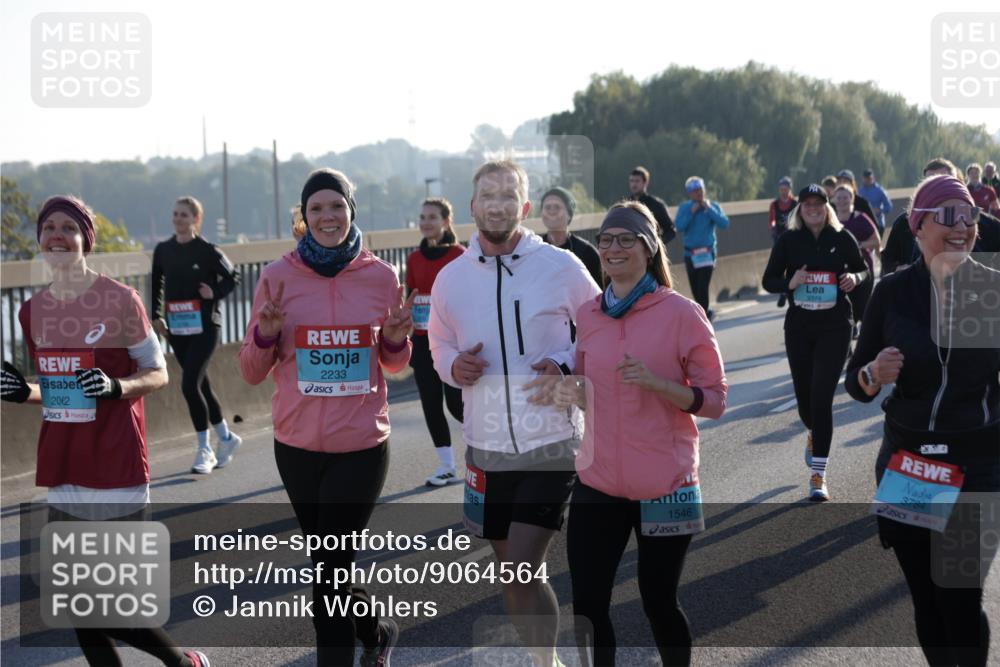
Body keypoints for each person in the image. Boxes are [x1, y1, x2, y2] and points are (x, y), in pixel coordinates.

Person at [1, 195, 210, 667]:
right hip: (64, 463)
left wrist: (117, 386)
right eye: (48, 226)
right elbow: (58, 390)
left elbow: (156, 373)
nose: (57, 234)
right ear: (40, 239)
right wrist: (24, 392)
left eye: (68, 228)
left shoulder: (120, 299)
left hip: (116, 462)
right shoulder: (32, 311)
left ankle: (182, 662)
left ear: (85, 241)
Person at [428, 160, 600, 667]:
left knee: (523, 565)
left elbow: (598, 329)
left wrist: (566, 362)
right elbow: (437, 342)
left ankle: (547, 664)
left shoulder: (561, 266)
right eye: (488, 195)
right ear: (474, 206)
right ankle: (543, 657)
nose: (498, 203)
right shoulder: (450, 278)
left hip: (552, 438)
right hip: (485, 446)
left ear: (524, 207)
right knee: (514, 573)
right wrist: (451, 366)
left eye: (509, 195)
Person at [239, 168, 414, 666]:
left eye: (336, 206)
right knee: (329, 564)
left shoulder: (381, 277)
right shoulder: (277, 277)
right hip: (295, 446)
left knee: (329, 571)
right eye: (316, 208)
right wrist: (266, 335)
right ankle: (375, 631)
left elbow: (394, 363)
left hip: (360, 446)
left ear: (351, 211)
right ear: (303, 217)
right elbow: (252, 372)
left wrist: (398, 340)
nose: (327, 217)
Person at [553, 201, 727, 667]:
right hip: (598, 481)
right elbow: (588, 392)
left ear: (649, 249)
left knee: (658, 602)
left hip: (666, 483)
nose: (613, 248)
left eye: (626, 239)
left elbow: (714, 400)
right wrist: (560, 390)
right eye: (607, 239)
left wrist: (660, 385)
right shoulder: (589, 314)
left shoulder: (683, 314)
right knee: (587, 606)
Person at [845, 174, 999, 666]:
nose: (962, 227)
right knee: (928, 601)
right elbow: (856, 380)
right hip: (908, 465)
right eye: (948, 216)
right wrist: (872, 373)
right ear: (918, 225)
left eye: (970, 216)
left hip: (975, 464)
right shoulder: (891, 293)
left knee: (958, 597)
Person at [761, 184, 869, 501]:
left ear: (827, 207)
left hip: (835, 326)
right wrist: (789, 283)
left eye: (818, 204)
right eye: (807, 204)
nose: (813, 208)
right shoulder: (788, 241)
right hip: (799, 326)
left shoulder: (841, 238)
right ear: (800, 209)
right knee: (805, 401)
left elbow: (863, 270)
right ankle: (813, 432)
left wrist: (854, 279)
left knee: (822, 397)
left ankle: (818, 475)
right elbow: (768, 280)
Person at [151, 196, 241, 474]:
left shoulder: (208, 250)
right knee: (201, 385)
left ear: (196, 220)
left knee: (189, 385)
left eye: (185, 215)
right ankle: (226, 438)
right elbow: (157, 283)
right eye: (176, 214)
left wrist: (213, 292)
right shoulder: (163, 250)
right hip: (178, 328)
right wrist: (156, 317)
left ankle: (205, 449)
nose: (179, 219)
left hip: (206, 327)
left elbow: (233, 276)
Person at [405, 197, 465, 486]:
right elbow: (411, 296)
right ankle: (447, 466)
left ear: (446, 221)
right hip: (421, 342)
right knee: (431, 404)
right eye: (422, 217)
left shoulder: (460, 254)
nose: (426, 222)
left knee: (457, 405)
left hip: (453, 343)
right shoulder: (414, 258)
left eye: (432, 217)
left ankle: (493, 450)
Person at [882, 158, 1000, 274]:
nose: (938, 189)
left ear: (958, 183)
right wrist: (900, 271)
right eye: (930, 184)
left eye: (945, 182)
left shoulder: (984, 223)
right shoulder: (905, 223)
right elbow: (888, 262)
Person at [674, 176, 730, 321]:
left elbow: (724, 223)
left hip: (707, 254)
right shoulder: (685, 208)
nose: (698, 193)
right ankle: (705, 312)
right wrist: (691, 213)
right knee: (695, 288)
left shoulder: (712, 206)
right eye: (694, 191)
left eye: (700, 190)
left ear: (704, 190)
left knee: (702, 286)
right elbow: (679, 226)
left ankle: (704, 317)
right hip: (690, 254)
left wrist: (709, 209)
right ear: (689, 193)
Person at [832, 183, 880, 334]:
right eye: (839, 198)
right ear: (833, 200)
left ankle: (862, 327)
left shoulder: (861, 218)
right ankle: (850, 327)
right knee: (844, 301)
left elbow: (876, 241)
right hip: (840, 270)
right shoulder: (830, 221)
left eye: (845, 197)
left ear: (852, 199)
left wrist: (857, 245)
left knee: (861, 303)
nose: (842, 201)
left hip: (862, 268)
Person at [540, 186, 602, 286]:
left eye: (557, 207)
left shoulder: (587, 252)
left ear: (569, 214)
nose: (552, 212)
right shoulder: (535, 250)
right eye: (547, 207)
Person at [628, 166, 676, 246]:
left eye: (637, 181)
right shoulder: (625, 205)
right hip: (630, 250)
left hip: (652, 252)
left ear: (645, 182)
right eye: (631, 181)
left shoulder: (656, 205)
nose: (634, 184)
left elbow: (670, 231)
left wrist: (657, 244)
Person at [769, 177, 798, 307]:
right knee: (780, 264)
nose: (783, 192)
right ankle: (783, 291)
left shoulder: (795, 203)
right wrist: (773, 228)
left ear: (790, 189)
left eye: (785, 189)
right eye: (781, 190)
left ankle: (789, 289)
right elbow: (772, 220)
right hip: (779, 238)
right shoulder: (774, 205)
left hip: (792, 238)